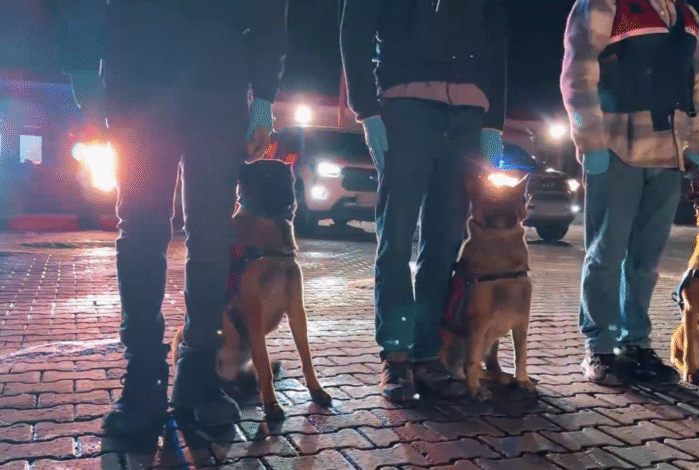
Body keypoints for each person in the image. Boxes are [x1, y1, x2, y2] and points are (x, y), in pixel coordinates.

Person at [47, 0, 288, 434]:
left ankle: (198, 369)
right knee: (143, 228)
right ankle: (144, 373)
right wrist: (82, 66)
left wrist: (265, 98)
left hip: (214, 78)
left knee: (210, 234)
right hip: (141, 73)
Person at [340, 0, 512, 402]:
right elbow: (355, 30)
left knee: (445, 242)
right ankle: (397, 354)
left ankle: (426, 353)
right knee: (396, 237)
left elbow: (496, 45)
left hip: (467, 116)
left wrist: (494, 124)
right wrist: (367, 111)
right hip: (406, 109)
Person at [560, 0, 699, 384]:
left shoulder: (687, 16)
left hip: (669, 155)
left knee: (646, 261)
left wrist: (697, 143)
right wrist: (590, 143)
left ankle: (636, 343)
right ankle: (600, 347)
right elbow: (578, 76)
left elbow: (696, 86)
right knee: (606, 254)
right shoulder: (604, 5)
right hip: (616, 150)